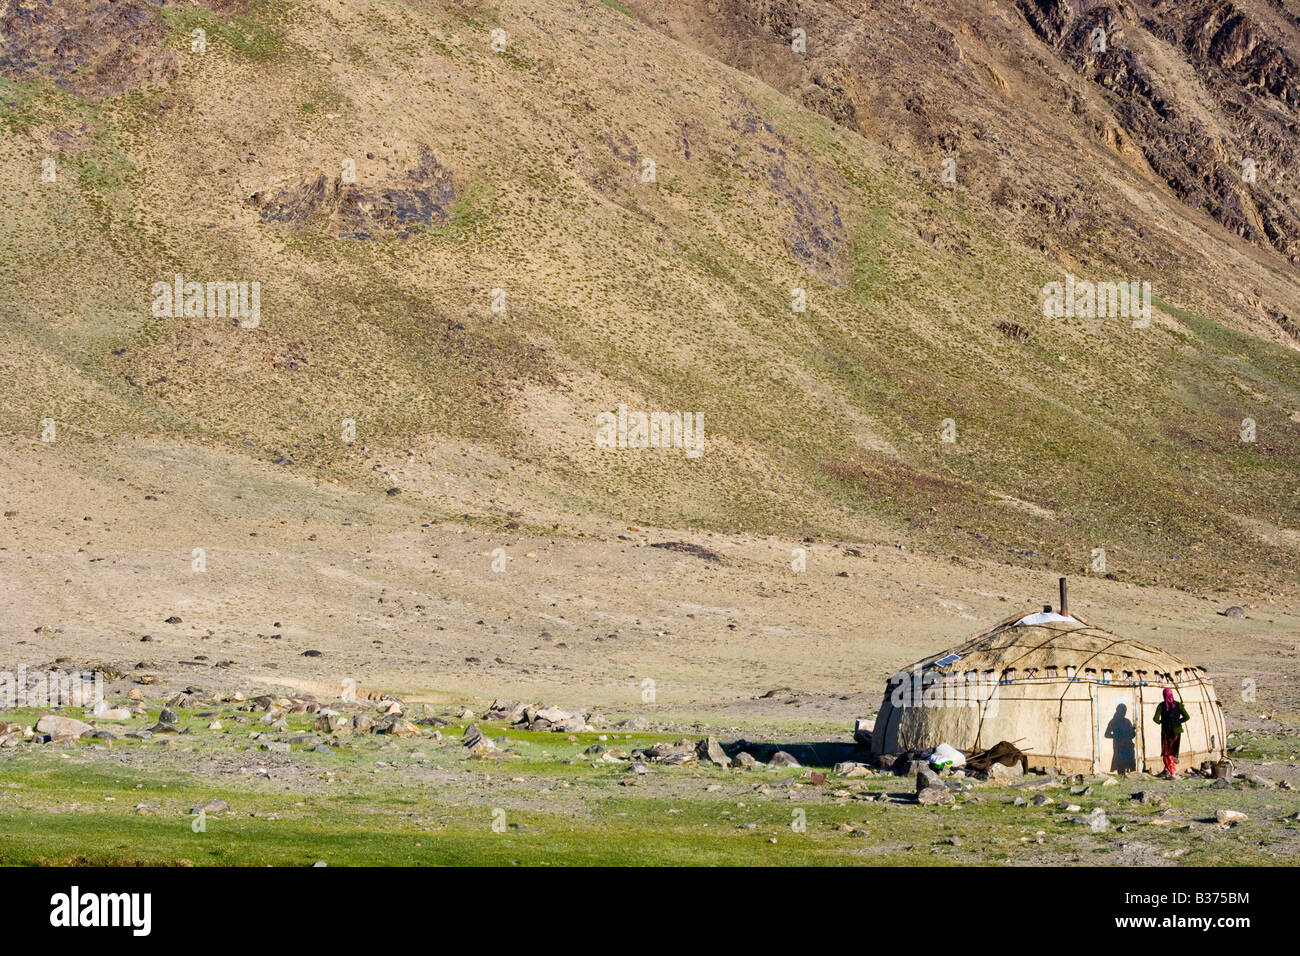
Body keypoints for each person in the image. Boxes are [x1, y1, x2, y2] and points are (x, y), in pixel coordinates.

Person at [1152, 687, 1189, 777]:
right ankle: (1166, 769)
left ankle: (1172, 772)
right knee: (1172, 752)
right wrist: (1178, 721)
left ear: (1164, 695)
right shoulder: (1178, 705)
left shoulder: (1161, 705)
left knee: (1166, 752)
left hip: (1166, 732)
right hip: (1176, 731)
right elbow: (1187, 717)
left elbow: (1155, 719)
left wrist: (1162, 722)